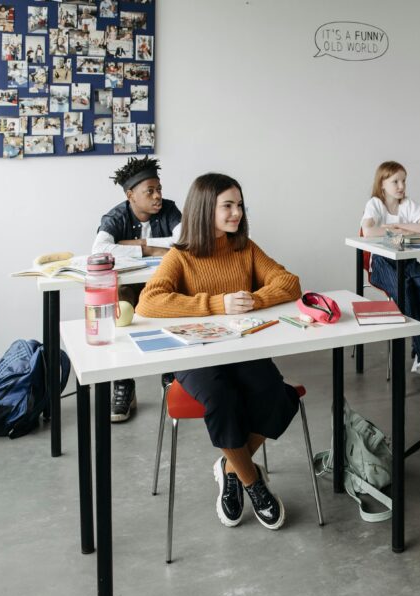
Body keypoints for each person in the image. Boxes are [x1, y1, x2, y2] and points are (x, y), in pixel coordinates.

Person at [137, 173, 301, 530]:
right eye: (228, 205)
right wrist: (215, 304)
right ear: (204, 209)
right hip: (195, 356)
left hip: (241, 349)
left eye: (239, 205)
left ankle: (231, 468)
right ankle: (253, 484)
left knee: (278, 394)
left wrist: (253, 299)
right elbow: (148, 302)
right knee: (221, 397)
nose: (237, 213)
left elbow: (289, 283)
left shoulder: (244, 249)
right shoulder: (181, 257)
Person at [94, 156, 182, 422]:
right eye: (150, 191)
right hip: (129, 287)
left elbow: (186, 241)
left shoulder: (169, 209)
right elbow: (100, 249)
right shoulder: (116, 215)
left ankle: (172, 377)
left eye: (159, 190)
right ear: (131, 195)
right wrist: (154, 248)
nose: (158, 197)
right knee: (120, 312)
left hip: (160, 284)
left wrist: (138, 244)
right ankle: (123, 384)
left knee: (173, 307)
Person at [360, 161, 420, 385]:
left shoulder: (407, 204)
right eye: (395, 181)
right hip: (382, 263)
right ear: (382, 184)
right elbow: (367, 231)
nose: (401, 186)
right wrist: (400, 229)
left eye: (403, 181)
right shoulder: (375, 204)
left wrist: (399, 228)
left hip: (407, 259)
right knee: (407, 292)